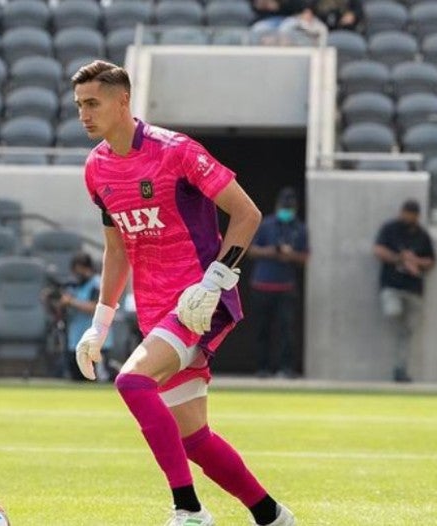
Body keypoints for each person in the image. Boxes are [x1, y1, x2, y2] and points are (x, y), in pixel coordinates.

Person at [71, 60, 295, 526]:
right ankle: (272, 516)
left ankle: (188, 510)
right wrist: (99, 323)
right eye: (78, 105)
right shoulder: (96, 170)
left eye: (93, 103)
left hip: (198, 303)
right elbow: (117, 250)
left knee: (132, 382)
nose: (84, 114)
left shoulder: (175, 150)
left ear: (123, 101)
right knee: (195, 440)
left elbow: (247, 214)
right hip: (156, 311)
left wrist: (215, 280)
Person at [247, 187, 309, 378]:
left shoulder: (300, 228)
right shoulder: (266, 224)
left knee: (286, 331)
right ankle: (262, 368)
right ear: (277, 206)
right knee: (262, 329)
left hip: (286, 287)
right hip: (262, 285)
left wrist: (291, 255)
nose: (287, 211)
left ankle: (286, 368)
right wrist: (273, 252)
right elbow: (251, 250)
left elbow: (305, 257)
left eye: (290, 207)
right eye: (284, 207)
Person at [373, 199, 435, 383]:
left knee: (407, 333)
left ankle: (400, 371)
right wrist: (399, 259)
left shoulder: (422, 235)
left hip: (413, 288)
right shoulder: (390, 229)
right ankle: (400, 369)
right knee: (393, 311)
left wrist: (415, 262)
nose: (407, 217)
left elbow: (431, 260)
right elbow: (378, 250)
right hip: (392, 286)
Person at [58, 252, 115, 382]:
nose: (78, 274)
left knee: (99, 378)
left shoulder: (97, 284)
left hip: (97, 341)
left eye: (80, 270)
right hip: (76, 339)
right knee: (78, 380)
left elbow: (96, 307)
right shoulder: (74, 285)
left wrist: (71, 301)